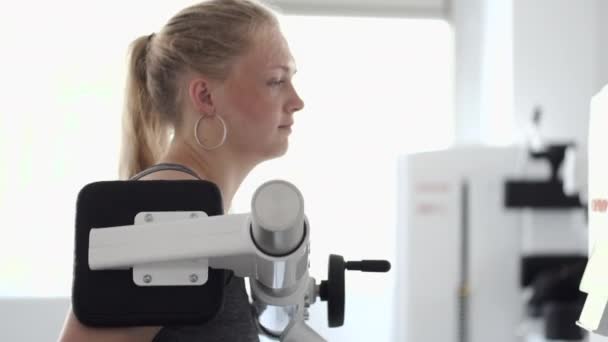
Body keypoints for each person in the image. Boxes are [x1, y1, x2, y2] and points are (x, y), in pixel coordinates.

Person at [58, 0, 305, 340]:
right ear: (205, 96)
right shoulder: (170, 212)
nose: (296, 100)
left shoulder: (201, 216)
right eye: (276, 80)